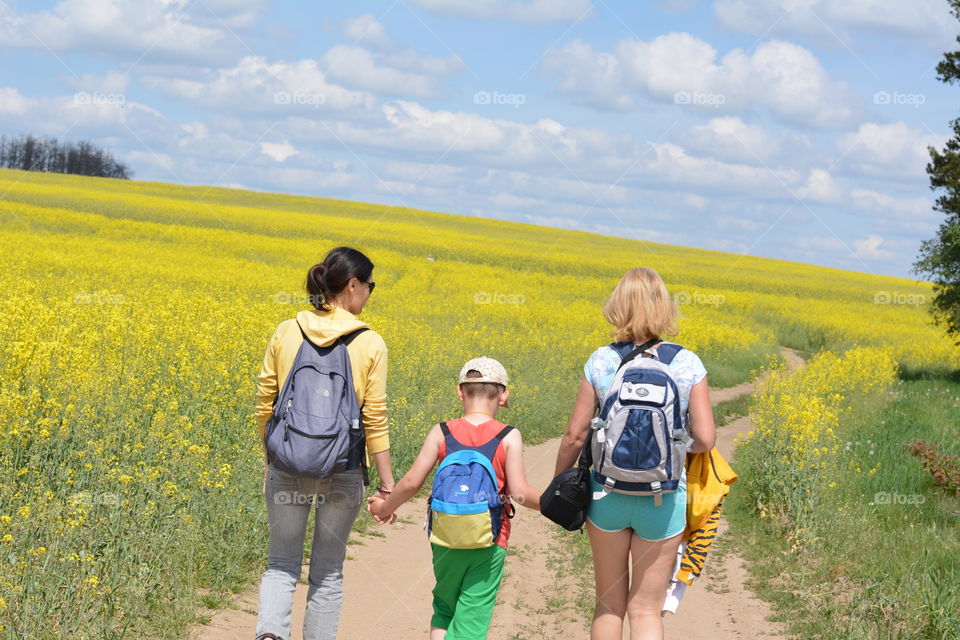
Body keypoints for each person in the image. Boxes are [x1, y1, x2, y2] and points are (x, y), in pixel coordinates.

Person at [553, 267, 717, 640]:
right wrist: (674, 447)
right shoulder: (687, 363)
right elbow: (706, 439)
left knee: (609, 605)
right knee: (646, 611)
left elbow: (575, 436)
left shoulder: (601, 360)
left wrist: (560, 481)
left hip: (607, 494)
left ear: (618, 306)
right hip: (662, 499)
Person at [253, 246, 395, 640]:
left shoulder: (287, 329)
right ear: (352, 285)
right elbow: (375, 418)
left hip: (288, 463)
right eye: (370, 285)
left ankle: (270, 635)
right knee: (328, 571)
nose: (369, 293)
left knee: (281, 563)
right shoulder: (370, 343)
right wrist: (387, 485)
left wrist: (271, 458)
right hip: (343, 468)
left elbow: (267, 400)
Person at [368, 357, 541, 640]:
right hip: (489, 539)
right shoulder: (509, 436)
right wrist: (555, 503)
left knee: (445, 608)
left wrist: (384, 507)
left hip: (445, 536)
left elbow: (412, 482)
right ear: (504, 395)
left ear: (460, 391)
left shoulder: (442, 432)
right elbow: (521, 493)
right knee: (472, 614)